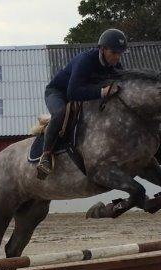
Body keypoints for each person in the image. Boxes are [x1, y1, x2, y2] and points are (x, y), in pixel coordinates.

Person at [36, 28, 127, 179]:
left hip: (80, 97)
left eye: (120, 53)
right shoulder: (85, 60)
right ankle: (46, 155)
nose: (117, 57)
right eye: (114, 53)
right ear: (103, 49)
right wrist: (102, 92)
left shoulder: (115, 66)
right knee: (61, 112)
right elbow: (72, 93)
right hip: (58, 93)